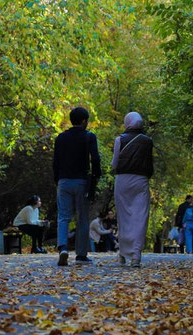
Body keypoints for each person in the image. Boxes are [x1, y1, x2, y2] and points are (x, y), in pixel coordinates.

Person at [53, 107, 101, 266]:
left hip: (63, 181)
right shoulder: (89, 137)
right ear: (84, 121)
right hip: (81, 182)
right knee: (82, 218)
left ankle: (63, 248)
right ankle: (81, 255)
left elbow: (56, 162)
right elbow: (95, 160)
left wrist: (57, 180)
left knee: (63, 216)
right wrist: (94, 179)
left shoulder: (60, 137)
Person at [112, 111, 154, 268]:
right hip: (141, 181)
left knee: (123, 218)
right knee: (140, 218)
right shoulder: (148, 141)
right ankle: (136, 255)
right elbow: (150, 163)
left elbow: (114, 164)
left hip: (122, 180)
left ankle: (122, 254)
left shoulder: (120, 140)